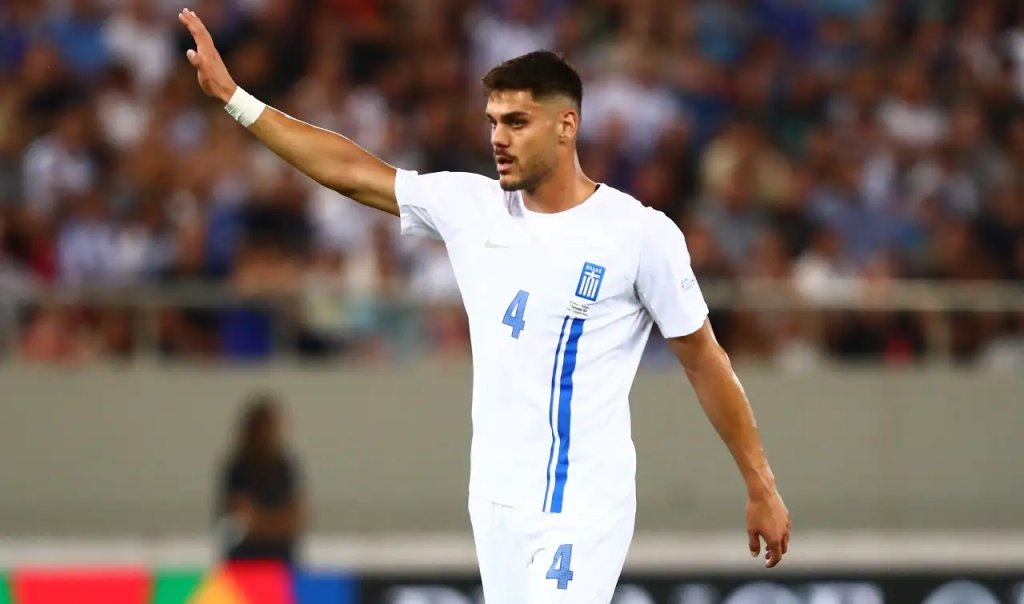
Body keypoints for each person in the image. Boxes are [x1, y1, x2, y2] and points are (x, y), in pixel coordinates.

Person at [179, 8, 791, 601]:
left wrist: (760, 484)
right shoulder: (471, 208)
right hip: (497, 504)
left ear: (566, 125)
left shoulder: (639, 235)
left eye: (517, 122)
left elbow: (704, 360)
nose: (498, 137)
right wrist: (235, 98)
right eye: (493, 121)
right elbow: (351, 171)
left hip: (581, 507)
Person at [216, 392, 306, 565]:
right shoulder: (238, 470)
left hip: (281, 564)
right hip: (245, 564)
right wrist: (276, 522)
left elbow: (295, 519)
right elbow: (240, 522)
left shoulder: (285, 469)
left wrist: (260, 521)